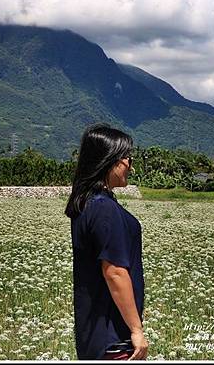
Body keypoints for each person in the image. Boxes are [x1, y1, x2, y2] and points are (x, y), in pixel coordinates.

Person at [65, 123, 148, 360]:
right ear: (110, 160)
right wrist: (136, 330)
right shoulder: (103, 208)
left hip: (94, 331)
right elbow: (114, 272)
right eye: (127, 159)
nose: (130, 166)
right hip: (112, 334)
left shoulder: (86, 203)